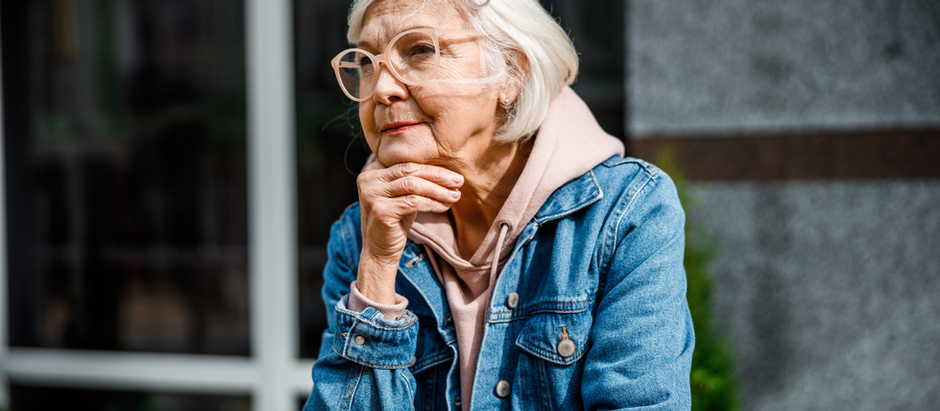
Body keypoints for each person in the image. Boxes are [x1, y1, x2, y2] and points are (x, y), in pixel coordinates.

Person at [302, 0, 694, 409]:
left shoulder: (625, 214)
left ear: (512, 73)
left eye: (419, 50)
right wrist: (379, 270)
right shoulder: (359, 238)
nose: (382, 88)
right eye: (367, 63)